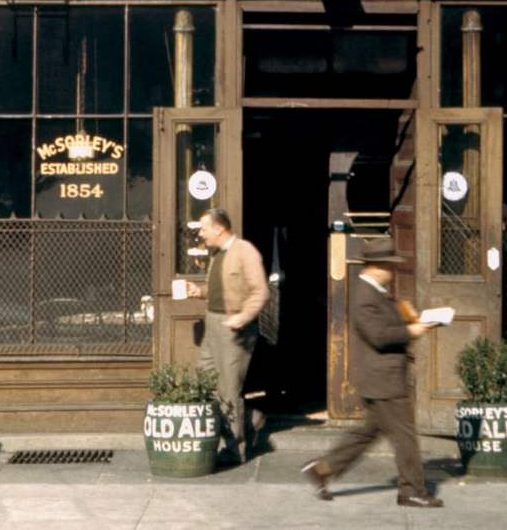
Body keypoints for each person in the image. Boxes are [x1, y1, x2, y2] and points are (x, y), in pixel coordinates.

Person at [301, 236, 443, 509]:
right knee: (405, 436)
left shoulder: (376, 291)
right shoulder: (365, 295)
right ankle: (412, 490)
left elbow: (385, 324)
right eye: (389, 266)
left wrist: (411, 318)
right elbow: (378, 335)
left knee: (368, 432)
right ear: (376, 266)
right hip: (383, 378)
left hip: (381, 376)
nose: (393, 271)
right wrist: (410, 331)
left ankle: (322, 469)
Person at [185, 206, 270, 464]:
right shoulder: (217, 255)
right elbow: (221, 289)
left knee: (228, 389)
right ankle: (250, 419)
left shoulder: (246, 251)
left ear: (219, 228)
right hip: (213, 325)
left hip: (235, 328)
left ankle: (235, 450)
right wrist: (198, 291)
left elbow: (260, 293)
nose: (201, 233)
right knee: (202, 382)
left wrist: (242, 318)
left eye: (204, 228)